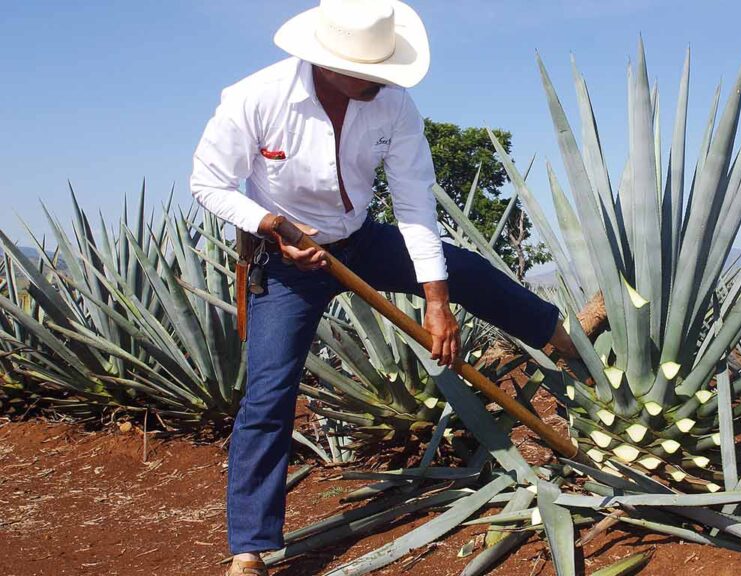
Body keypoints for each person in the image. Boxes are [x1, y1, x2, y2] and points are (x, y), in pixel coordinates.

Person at [189, 1, 576, 574]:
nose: (379, 79)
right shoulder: (255, 98)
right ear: (324, 61)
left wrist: (438, 303)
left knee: (464, 270)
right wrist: (271, 224)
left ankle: (565, 342)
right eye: (366, 70)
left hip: (360, 242)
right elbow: (208, 182)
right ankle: (250, 546)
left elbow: (416, 203)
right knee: (269, 393)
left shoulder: (391, 103)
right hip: (288, 259)